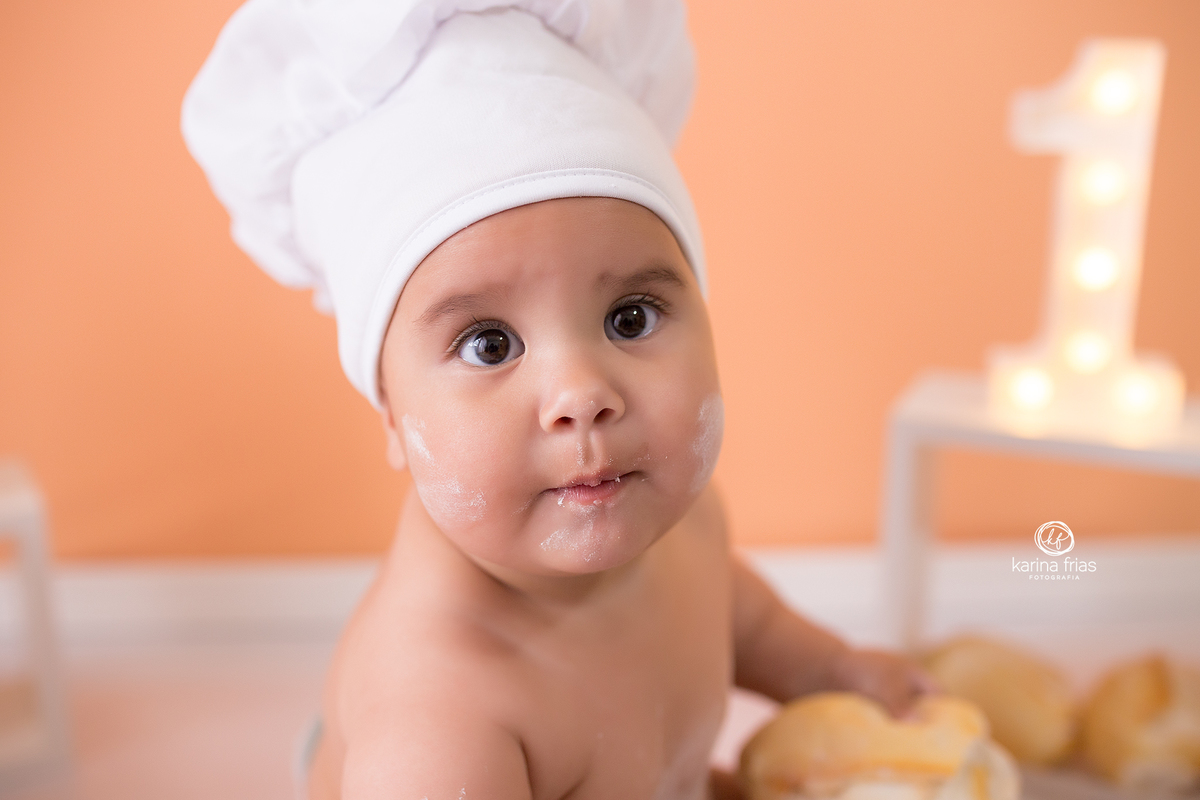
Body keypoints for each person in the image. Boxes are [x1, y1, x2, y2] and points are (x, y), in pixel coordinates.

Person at [182, 3, 932, 798]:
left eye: (629, 319)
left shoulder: (686, 524)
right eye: (490, 344)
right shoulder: (440, 727)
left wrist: (831, 668)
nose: (582, 395)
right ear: (393, 416)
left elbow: (741, 620)